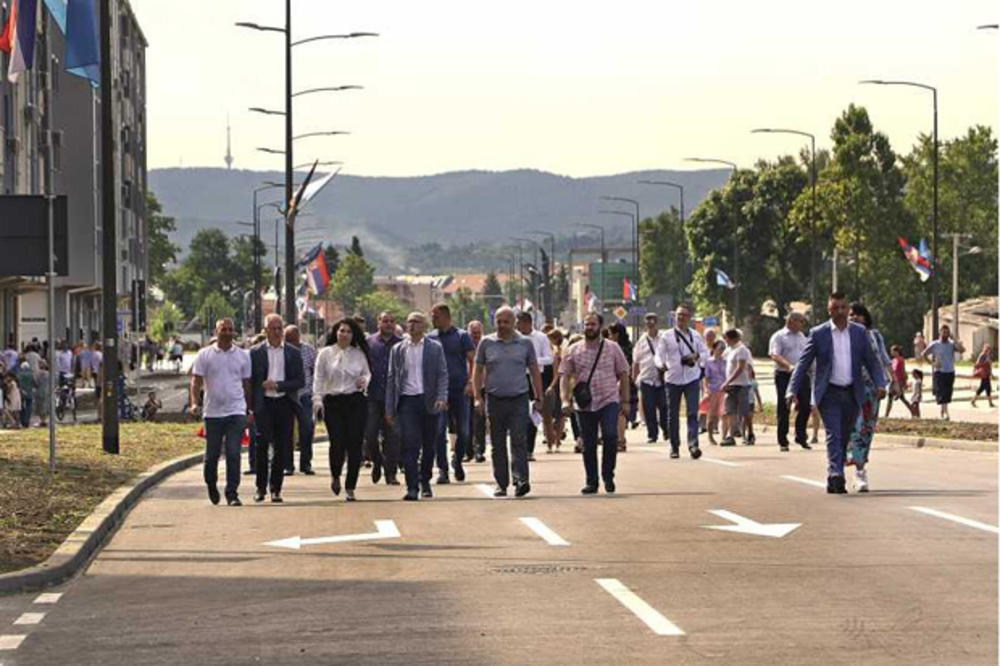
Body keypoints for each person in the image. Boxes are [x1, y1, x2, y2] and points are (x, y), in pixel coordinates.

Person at [787, 292, 887, 494]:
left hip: (852, 392)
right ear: (829, 310)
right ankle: (836, 475)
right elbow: (803, 364)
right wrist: (792, 390)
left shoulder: (859, 333)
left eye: (843, 308)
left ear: (848, 309)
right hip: (829, 392)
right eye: (836, 308)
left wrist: (881, 383)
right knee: (833, 433)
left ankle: (836, 468)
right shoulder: (818, 333)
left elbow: (872, 362)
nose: (840, 312)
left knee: (844, 435)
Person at [473, 306, 543, 497]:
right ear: (494, 322)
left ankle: (521, 480)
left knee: (519, 440)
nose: (502, 325)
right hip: (495, 399)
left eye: (506, 322)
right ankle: (501, 483)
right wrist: (478, 398)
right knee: (497, 444)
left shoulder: (525, 343)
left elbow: (534, 370)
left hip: (519, 398)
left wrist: (539, 397)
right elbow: (478, 371)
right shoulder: (486, 343)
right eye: (499, 322)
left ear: (514, 323)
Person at [560, 312, 630, 494]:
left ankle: (608, 475)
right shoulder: (574, 349)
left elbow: (623, 374)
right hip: (585, 403)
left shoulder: (613, 348)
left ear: (600, 326)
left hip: (609, 399)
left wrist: (625, 401)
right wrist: (564, 400)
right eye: (586, 324)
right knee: (589, 443)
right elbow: (564, 375)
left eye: (593, 324)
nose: (589, 327)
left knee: (609, 436)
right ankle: (592, 481)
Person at [385, 312, 449, 501]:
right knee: (410, 445)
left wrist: (442, 397)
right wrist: (389, 408)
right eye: (409, 321)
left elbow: (443, 374)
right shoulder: (398, 349)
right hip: (407, 402)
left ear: (424, 326)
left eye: (416, 322)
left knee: (429, 445)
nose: (412, 325)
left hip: (429, 401)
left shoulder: (435, 348)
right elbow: (391, 379)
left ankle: (425, 480)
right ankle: (412, 487)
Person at [190, 318, 252, 506]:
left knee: (234, 452)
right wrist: (194, 403)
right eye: (223, 329)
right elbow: (196, 381)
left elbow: (247, 384)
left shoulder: (243, 356)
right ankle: (211, 484)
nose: (226, 332)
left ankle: (232, 493)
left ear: (234, 332)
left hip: (236, 410)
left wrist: (249, 409)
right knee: (212, 455)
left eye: (230, 329)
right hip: (213, 413)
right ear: (216, 332)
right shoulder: (204, 355)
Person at [313, 319, 371, 502]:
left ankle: (350, 486)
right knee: (337, 442)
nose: (344, 334)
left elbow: (367, 373)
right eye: (341, 331)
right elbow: (319, 378)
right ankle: (335, 474)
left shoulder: (358, 354)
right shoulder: (325, 354)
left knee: (354, 444)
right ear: (335, 333)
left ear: (353, 335)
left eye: (347, 332)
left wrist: (364, 381)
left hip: (354, 401)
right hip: (333, 403)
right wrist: (317, 400)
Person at [249, 314, 304, 503]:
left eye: (280, 328)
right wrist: (251, 405)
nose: (277, 332)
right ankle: (260, 487)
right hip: (263, 404)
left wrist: (279, 385)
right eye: (273, 328)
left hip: (284, 403)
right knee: (261, 445)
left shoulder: (293, 352)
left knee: (281, 447)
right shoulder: (255, 353)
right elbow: (250, 381)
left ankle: (276, 488)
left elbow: (300, 381)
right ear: (265, 331)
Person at [428, 303, 476, 483]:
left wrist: (471, 382)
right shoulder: (430, 338)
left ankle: (458, 459)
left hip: (459, 389)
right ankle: (442, 469)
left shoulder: (462, 336)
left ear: (446, 316)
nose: (433, 319)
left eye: (436, 316)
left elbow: (474, 361)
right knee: (439, 431)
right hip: (439, 392)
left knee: (463, 431)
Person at [846, 302, 891, 492]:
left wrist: (892, 381)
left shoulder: (874, 336)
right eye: (851, 315)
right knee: (846, 428)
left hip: (870, 390)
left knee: (864, 429)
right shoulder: (839, 335)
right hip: (845, 388)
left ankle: (860, 469)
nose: (854, 317)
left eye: (858, 314)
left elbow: (883, 360)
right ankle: (836, 469)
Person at [655, 303, 708, 460]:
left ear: (689, 317)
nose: (681, 318)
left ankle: (693, 445)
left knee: (692, 412)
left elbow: (705, 353)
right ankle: (674, 447)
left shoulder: (696, 336)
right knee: (673, 414)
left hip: (691, 378)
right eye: (678, 315)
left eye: (684, 315)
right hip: (672, 379)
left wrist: (696, 357)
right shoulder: (667, 336)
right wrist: (660, 365)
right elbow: (659, 355)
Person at [365, 311, 404, 485]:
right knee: (370, 434)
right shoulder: (369, 343)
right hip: (373, 396)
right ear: (378, 323)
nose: (388, 324)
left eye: (391, 321)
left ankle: (391, 473)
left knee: (393, 438)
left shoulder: (402, 345)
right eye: (385, 321)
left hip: (394, 398)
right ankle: (377, 461)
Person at [768, 312, 811, 451]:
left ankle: (801, 435)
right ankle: (783, 440)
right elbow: (774, 354)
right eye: (800, 322)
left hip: (801, 374)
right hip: (784, 374)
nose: (802, 325)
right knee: (784, 406)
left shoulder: (802, 337)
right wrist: (788, 366)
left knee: (806, 405)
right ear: (791, 321)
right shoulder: (779, 336)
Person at [515, 311, 553, 462]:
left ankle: (529, 449)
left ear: (527, 323)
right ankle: (519, 448)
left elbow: (549, 359)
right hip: (518, 377)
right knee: (519, 414)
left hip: (536, 378)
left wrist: (532, 361)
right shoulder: (515, 338)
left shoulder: (541, 337)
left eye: (519, 323)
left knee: (533, 415)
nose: (517, 326)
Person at [284, 325, 317, 475]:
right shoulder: (282, 351)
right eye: (287, 339)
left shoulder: (309, 350)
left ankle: (306, 463)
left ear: (298, 336)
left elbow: (315, 372)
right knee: (287, 431)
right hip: (286, 395)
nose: (289, 342)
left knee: (307, 429)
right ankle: (288, 465)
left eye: (292, 339)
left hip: (304, 395)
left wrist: (315, 393)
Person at [633, 313, 667, 444]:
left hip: (662, 378)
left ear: (657, 322)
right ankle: (652, 434)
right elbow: (636, 361)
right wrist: (635, 377)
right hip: (646, 378)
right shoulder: (641, 341)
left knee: (664, 406)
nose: (650, 324)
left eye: (652, 322)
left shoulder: (664, 338)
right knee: (649, 408)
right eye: (647, 322)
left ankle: (666, 430)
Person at [922, 324, 964, 420]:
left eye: (947, 332)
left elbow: (962, 351)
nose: (945, 334)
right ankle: (945, 412)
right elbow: (924, 354)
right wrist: (932, 363)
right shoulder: (935, 344)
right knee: (942, 392)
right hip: (939, 371)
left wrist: (956, 341)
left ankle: (943, 410)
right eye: (944, 332)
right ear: (940, 332)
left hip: (950, 371)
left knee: (948, 392)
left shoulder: (951, 344)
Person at [606, 322, 637, 451]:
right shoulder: (630, 347)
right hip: (627, 383)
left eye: (609, 334)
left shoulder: (615, 349)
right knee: (621, 413)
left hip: (617, 383)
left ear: (616, 334)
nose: (608, 337)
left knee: (618, 412)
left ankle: (619, 439)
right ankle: (621, 438)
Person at [719, 329, 752, 446]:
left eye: (726, 338)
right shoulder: (730, 350)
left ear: (732, 338)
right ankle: (731, 435)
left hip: (741, 385)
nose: (725, 341)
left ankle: (750, 433)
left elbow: (740, 367)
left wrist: (727, 381)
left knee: (744, 411)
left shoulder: (741, 350)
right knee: (730, 411)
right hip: (731, 386)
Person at [466, 320, 488, 463]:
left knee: (480, 419)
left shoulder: (486, 345)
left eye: (478, 333)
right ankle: (468, 451)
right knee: (466, 421)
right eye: (473, 333)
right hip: (466, 387)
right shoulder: (464, 346)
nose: (476, 336)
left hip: (483, 386)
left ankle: (479, 450)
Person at [544, 328, 566, 453]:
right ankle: (551, 441)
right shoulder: (551, 352)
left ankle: (555, 441)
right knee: (549, 415)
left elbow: (557, 373)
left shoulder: (557, 353)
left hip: (556, 387)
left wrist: (552, 386)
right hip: (551, 386)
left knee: (558, 415)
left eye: (549, 339)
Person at [702, 341, 726, 445]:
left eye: (723, 348)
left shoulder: (725, 361)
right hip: (713, 390)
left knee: (724, 413)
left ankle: (724, 436)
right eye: (720, 348)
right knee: (711, 415)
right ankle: (710, 435)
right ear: (714, 348)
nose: (721, 350)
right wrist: (706, 390)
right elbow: (706, 378)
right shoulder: (709, 362)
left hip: (723, 389)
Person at [884, 345, 911, 417]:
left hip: (899, 382)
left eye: (892, 351)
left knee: (902, 398)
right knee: (890, 398)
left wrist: (904, 383)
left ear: (897, 352)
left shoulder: (900, 360)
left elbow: (903, 371)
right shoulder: (893, 361)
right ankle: (886, 414)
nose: (891, 353)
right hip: (893, 382)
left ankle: (913, 411)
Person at [971, 344, 994, 408]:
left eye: (988, 349)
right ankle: (990, 403)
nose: (987, 350)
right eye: (986, 349)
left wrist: (991, 374)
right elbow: (977, 364)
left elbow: (989, 366)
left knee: (984, 388)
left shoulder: (987, 355)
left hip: (987, 374)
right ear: (983, 349)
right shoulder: (982, 355)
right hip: (983, 374)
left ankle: (974, 401)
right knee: (986, 388)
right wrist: (985, 362)